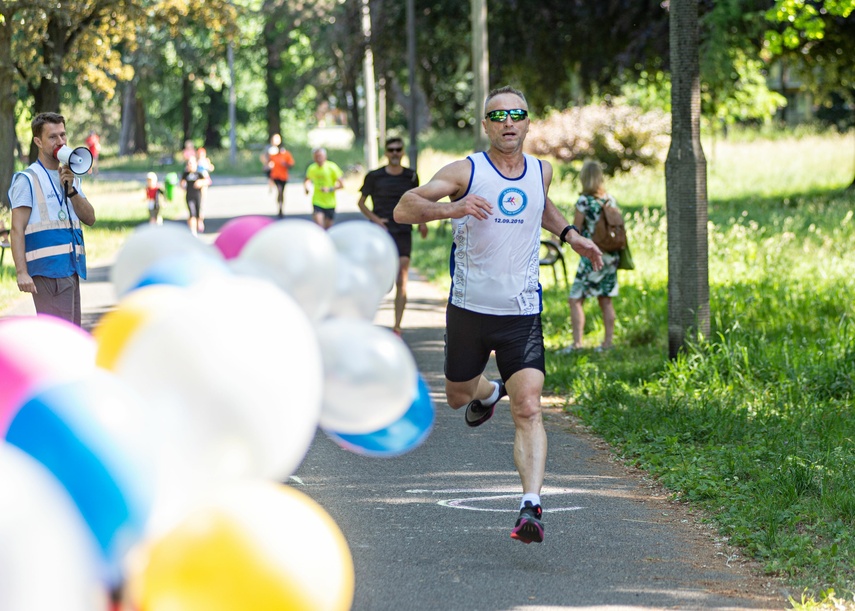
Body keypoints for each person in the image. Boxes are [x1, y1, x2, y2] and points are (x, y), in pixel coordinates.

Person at [394, 86, 603, 544]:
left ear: (528, 123)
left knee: (529, 406)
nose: (508, 122)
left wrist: (571, 235)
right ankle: (487, 393)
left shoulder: (542, 171)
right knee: (455, 396)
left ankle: (531, 505)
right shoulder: (465, 171)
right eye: (498, 116)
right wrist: (454, 206)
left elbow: (539, 205)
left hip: (521, 311)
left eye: (517, 115)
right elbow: (405, 206)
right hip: (469, 309)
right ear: (486, 125)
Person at [7, 112, 96, 326]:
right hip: (48, 272)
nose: (61, 142)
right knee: (60, 341)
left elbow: (90, 218)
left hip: (70, 269)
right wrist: (21, 273)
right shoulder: (27, 179)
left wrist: (72, 190)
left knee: (72, 335)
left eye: (63, 135)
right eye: (53, 137)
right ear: (38, 141)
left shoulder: (70, 175)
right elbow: (16, 229)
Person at [357, 137, 428, 336]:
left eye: (398, 149)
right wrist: (376, 220)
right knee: (381, 280)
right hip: (381, 232)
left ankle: (397, 326)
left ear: (403, 152)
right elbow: (361, 203)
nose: (395, 153)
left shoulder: (411, 176)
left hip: (403, 230)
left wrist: (422, 223)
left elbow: (418, 201)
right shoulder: (374, 176)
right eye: (391, 150)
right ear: (386, 153)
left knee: (402, 278)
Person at [559, 160, 621, 354]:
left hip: (591, 256)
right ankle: (608, 343)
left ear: (584, 178)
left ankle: (577, 344)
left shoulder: (584, 201)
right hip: (610, 256)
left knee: (575, 299)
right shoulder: (610, 199)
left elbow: (575, 230)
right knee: (606, 299)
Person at [303, 147, 344, 229]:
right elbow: (306, 180)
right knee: (319, 226)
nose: (318, 158)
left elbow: (342, 185)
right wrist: (306, 188)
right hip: (317, 201)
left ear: (325, 156)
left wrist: (330, 189)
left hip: (330, 203)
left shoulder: (332, 167)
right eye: (316, 156)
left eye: (320, 156)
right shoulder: (312, 168)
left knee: (328, 229)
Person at [180, 156, 210, 235]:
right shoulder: (185, 174)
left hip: (198, 195)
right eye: (188, 163)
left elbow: (207, 181)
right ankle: (193, 232)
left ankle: (199, 224)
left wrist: (201, 182)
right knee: (192, 213)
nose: (190, 165)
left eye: (191, 163)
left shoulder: (199, 173)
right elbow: (181, 183)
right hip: (189, 196)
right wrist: (182, 185)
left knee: (198, 213)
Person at [268, 143, 295, 217]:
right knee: (279, 190)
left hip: (284, 177)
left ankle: (281, 206)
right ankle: (279, 206)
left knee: (282, 192)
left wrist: (285, 164)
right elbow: (269, 162)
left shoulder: (287, 155)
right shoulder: (274, 156)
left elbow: (291, 164)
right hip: (276, 176)